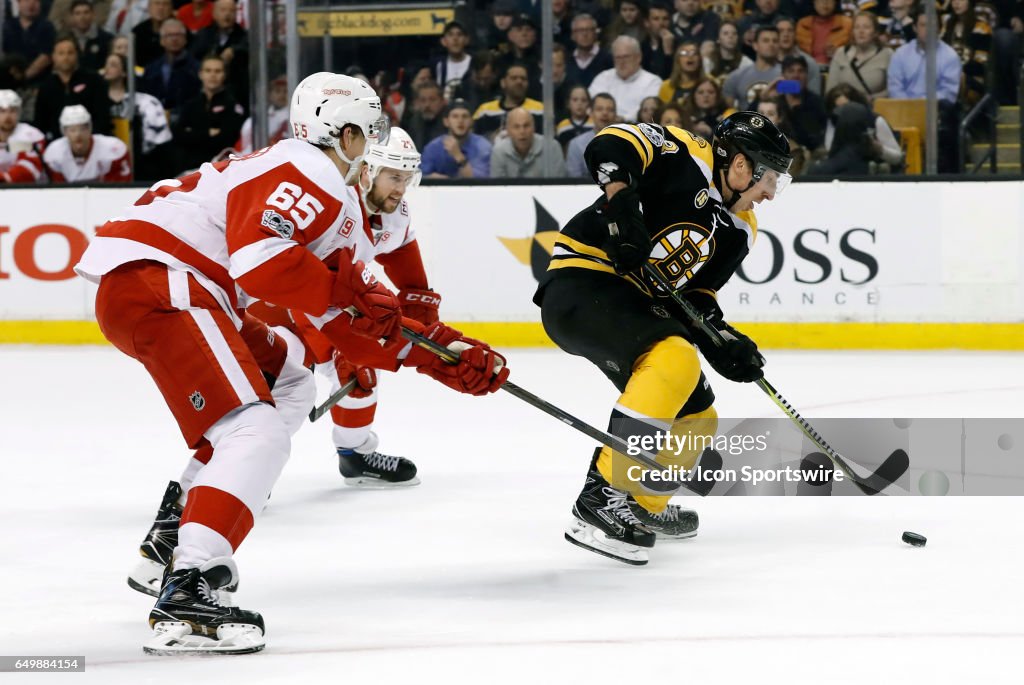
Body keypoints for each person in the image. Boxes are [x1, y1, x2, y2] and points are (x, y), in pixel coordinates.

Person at [77, 72, 508, 654]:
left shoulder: (337, 205)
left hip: (173, 286)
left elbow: (351, 330)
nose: (373, 142)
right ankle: (190, 584)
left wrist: (445, 356)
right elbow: (262, 262)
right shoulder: (308, 167)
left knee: (290, 384)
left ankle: (172, 539)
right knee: (253, 431)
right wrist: (350, 291)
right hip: (164, 280)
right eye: (369, 130)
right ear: (347, 133)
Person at [534, 112, 793, 565]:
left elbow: (696, 298)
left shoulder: (741, 228)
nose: (771, 191)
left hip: (635, 305)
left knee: (698, 417)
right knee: (674, 360)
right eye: (768, 175)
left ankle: (641, 505)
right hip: (583, 280)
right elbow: (608, 144)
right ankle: (602, 495)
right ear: (739, 164)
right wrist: (620, 204)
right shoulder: (684, 152)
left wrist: (723, 339)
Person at [887, 12, 962, 171]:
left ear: (940, 30)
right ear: (914, 27)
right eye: (923, 25)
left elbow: (949, 93)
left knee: (948, 113)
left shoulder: (950, 56)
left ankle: (945, 178)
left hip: (936, 112)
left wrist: (921, 105)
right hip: (904, 110)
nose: (928, 30)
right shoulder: (900, 55)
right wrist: (911, 107)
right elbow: (895, 88)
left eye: (933, 26)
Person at [103, 53, 174, 180]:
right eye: (106, 65)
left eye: (113, 65)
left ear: (124, 72)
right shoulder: (97, 101)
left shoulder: (144, 103)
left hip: (140, 163)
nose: (107, 69)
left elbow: (158, 141)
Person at [173, 54, 245, 171]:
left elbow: (226, 139)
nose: (213, 75)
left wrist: (194, 133)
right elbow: (178, 136)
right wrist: (208, 133)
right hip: (189, 170)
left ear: (224, 75)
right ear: (200, 74)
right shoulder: (190, 105)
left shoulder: (233, 105)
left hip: (222, 170)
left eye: (218, 71)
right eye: (208, 71)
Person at [33, 36, 112, 140]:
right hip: (56, 143)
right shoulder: (46, 86)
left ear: (77, 55)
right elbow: (40, 122)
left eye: (70, 53)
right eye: (61, 53)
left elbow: (102, 116)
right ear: (53, 57)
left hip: (91, 141)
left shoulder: (93, 80)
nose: (66, 57)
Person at [42, 105, 131, 181]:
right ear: (64, 132)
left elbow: (118, 190)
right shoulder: (54, 153)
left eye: (83, 128)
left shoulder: (112, 149)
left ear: (90, 129)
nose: (78, 134)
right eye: (72, 130)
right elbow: (57, 192)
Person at [189, 0, 249, 108]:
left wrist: (234, 50)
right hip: (205, 90)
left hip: (236, 92)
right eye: (223, 10)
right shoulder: (203, 35)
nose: (227, 14)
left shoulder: (244, 37)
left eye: (231, 11)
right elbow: (193, 59)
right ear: (214, 14)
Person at [138, 17, 202, 118]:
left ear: (185, 39)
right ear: (162, 41)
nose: (174, 39)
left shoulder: (196, 68)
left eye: (178, 35)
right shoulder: (151, 69)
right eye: (169, 35)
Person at [590, 35, 663, 119]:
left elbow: (650, 113)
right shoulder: (602, 78)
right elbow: (590, 106)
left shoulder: (653, 82)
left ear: (638, 57)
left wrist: (623, 120)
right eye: (618, 58)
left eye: (626, 57)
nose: (622, 62)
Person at [826, 11, 893, 100]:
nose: (861, 31)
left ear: (875, 32)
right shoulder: (841, 53)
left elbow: (893, 89)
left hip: (875, 106)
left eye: (866, 27)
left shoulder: (887, 54)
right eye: (857, 27)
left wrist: (872, 99)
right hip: (845, 107)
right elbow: (830, 90)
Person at [421, 98, 492, 178]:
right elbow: (419, 177)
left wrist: (459, 157)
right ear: (446, 122)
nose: (460, 121)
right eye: (455, 116)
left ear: (472, 121)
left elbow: (480, 183)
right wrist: (432, 178)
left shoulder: (483, 146)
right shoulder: (433, 147)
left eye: (465, 116)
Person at [473, 62, 544, 139]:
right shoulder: (485, 111)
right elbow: (473, 139)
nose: (519, 82)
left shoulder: (540, 110)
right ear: (503, 83)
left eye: (523, 79)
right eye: (514, 78)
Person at [490, 107, 567, 178]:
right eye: (516, 127)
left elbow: (559, 186)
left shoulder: (552, 147)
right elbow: (498, 188)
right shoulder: (498, 151)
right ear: (508, 131)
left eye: (526, 126)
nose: (522, 131)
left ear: (534, 128)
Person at [941, 0, 993, 105]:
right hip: (948, 77)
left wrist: (957, 70)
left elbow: (980, 66)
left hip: (973, 79)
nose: (956, 3)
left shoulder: (982, 27)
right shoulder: (947, 25)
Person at [723, 25, 782, 109]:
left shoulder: (787, 76)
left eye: (775, 41)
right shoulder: (736, 77)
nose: (771, 44)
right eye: (766, 41)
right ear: (755, 45)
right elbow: (728, 112)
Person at [2, 0, 57, 83]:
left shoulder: (47, 26)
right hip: (9, 78)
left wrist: (24, 76)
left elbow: (46, 56)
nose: (31, 5)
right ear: (19, 3)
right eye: (27, 1)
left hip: (39, 81)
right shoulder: (7, 26)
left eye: (35, 1)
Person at [566, 92, 618, 177]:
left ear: (615, 115)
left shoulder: (627, 143)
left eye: (610, 110)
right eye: (599, 109)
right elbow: (574, 182)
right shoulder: (576, 144)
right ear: (591, 113)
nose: (605, 113)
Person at [236, 75, 291, 155]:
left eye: (285, 91)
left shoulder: (294, 117)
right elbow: (244, 145)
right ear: (270, 95)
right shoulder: (257, 119)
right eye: (277, 91)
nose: (282, 95)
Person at [0, 90, 46, 183]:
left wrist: (5, 178)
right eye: (2, 111)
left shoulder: (31, 135)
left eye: (12, 111)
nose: (7, 116)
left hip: (29, 191)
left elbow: (30, 168)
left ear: (19, 112)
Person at [775, 16, 822, 96]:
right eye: (781, 31)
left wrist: (777, 88)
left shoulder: (809, 63)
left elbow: (814, 95)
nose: (786, 34)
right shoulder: (767, 62)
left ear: (795, 34)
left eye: (790, 31)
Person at [796, 0, 853, 65]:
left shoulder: (847, 24)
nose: (825, 2)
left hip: (838, 69)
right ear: (813, 2)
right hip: (807, 71)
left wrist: (839, 54)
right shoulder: (802, 24)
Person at [567, 13, 614, 88]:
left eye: (589, 30)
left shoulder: (608, 60)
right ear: (573, 35)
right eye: (580, 30)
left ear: (596, 33)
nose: (585, 34)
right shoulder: (566, 61)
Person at [67, 0, 114, 72]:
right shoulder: (65, 39)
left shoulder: (106, 39)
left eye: (86, 12)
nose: (82, 17)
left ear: (93, 14)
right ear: (72, 16)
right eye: (77, 13)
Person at [658, 40, 707, 106]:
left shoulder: (709, 81)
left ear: (700, 59)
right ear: (678, 60)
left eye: (694, 53)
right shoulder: (666, 86)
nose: (690, 56)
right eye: (684, 53)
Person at [131, 0, 175, 68]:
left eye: (165, 4)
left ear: (171, 8)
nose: (161, 8)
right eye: (157, 3)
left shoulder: (179, 32)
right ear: (149, 8)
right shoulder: (138, 31)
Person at [433, 20, 473, 92]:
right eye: (450, 35)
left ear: (467, 40)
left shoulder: (474, 63)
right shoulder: (438, 66)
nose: (455, 39)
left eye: (459, 34)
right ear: (443, 41)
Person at [643, 1, 676, 78]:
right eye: (656, 19)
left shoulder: (678, 44)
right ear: (646, 22)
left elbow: (673, 76)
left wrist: (668, 53)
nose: (661, 23)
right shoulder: (641, 46)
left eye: (665, 19)